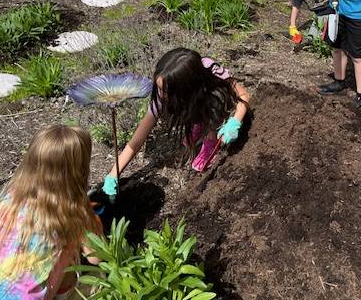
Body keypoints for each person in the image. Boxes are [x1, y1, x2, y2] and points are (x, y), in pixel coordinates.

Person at [0, 125, 102, 300]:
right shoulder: (73, 213)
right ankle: (63, 297)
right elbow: (96, 257)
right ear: (79, 170)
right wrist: (93, 222)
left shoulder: (11, 195)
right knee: (96, 275)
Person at [98, 48, 250, 201]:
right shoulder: (162, 94)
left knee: (215, 98)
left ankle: (211, 135)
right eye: (159, 88)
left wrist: (235, 121)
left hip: (208, 100)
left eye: (165, 90)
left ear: (185, 88)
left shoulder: (211, 71)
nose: (160, 94)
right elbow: (137, 140)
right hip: (191, 102)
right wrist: (113, 174)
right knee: (186, 108)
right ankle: (197, 123)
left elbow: (243, 95)